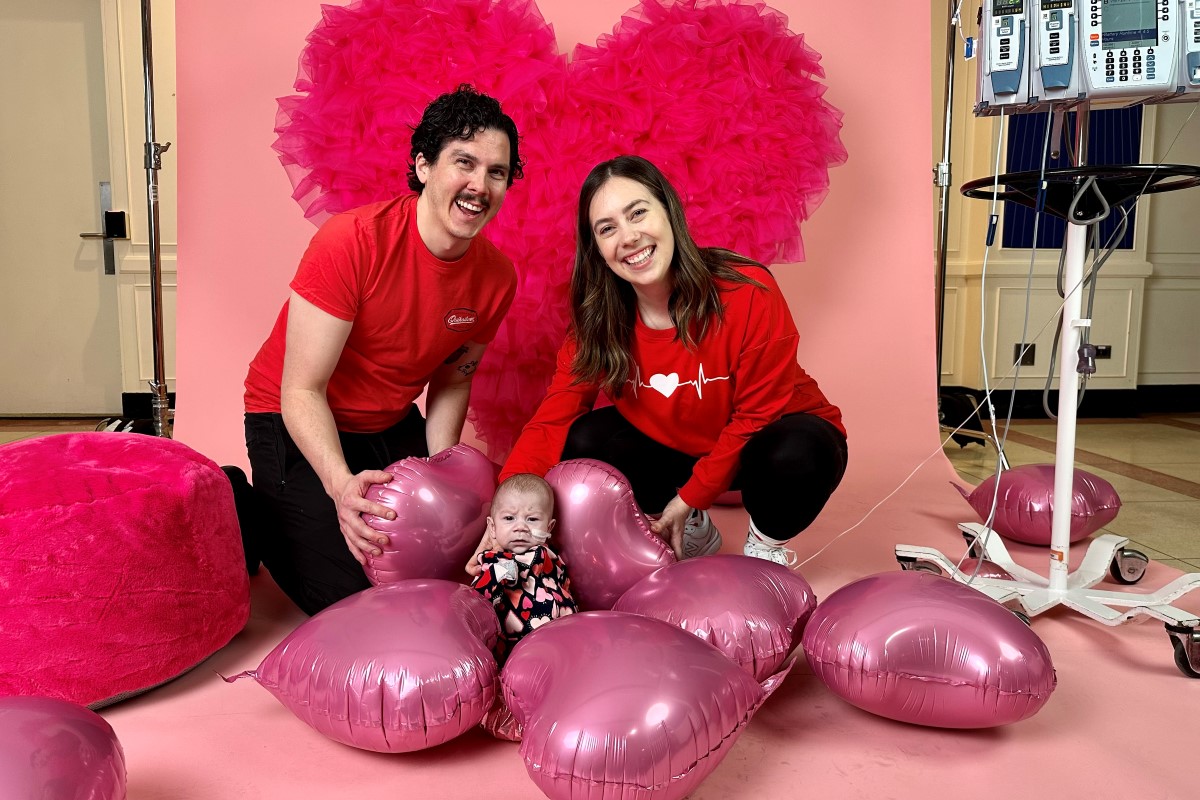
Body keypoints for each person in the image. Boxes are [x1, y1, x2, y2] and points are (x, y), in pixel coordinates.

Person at [240, 85, 522, 615]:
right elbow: (301, 388)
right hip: (292, 415)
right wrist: (340, 486)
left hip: (387, 420)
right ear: (422, 166)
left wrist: (445, 479)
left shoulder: (497, 278)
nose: (479, 185)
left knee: (442, 560)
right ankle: (251, 508)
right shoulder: (352, 242)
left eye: (497, 172)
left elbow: (452, 380)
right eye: (464, 162)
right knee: (354, 598)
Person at [500, 155, 847, 567]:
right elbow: (554, 415)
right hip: (682, 449)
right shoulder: (598, 319)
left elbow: (754, 416)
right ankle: (693, 526)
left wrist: (690, 496)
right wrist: (507, 506)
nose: (628, 237)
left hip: (767, 439)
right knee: (585, 441)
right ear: (596, 249)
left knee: (800, 454)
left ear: (669, 211)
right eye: (608, 229)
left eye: (638, 213)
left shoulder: (749, 291)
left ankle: (764, 544)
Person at [468, 474, 576, 660]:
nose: (520, 527)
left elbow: (565, 585)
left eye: (532, 519)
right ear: (492, 528)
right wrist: (501, 572)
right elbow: (477, 601)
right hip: (516, 650)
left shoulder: (550, 556)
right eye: (509, 518)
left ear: (549, 528)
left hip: (563, 642)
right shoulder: (493, 561)